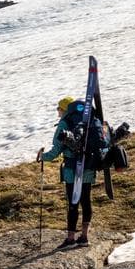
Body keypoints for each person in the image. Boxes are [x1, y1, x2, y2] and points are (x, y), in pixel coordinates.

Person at [36, 97, 106, 248]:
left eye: (59, 109)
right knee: (86, 201)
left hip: (71, 169)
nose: (58, 112)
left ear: (65, 109)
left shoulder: (65, 123)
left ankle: (70, 239)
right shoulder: (89, 121)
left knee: (73, 203)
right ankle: (84, 237)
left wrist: (43, 156)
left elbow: (56, 150)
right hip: (88, 166)